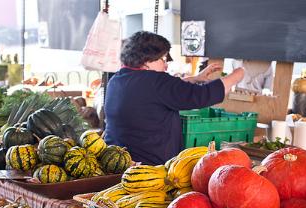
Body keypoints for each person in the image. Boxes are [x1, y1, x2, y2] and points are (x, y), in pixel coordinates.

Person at [103, 31, 244, 165]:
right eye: (163, 59)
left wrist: (195, 78)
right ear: (147, 61)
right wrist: (238, 74)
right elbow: (203, 96)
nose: (165, 65)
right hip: (149, 170)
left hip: (117, 164)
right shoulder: (157, 82)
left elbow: (159, 93)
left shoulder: (117, 79)